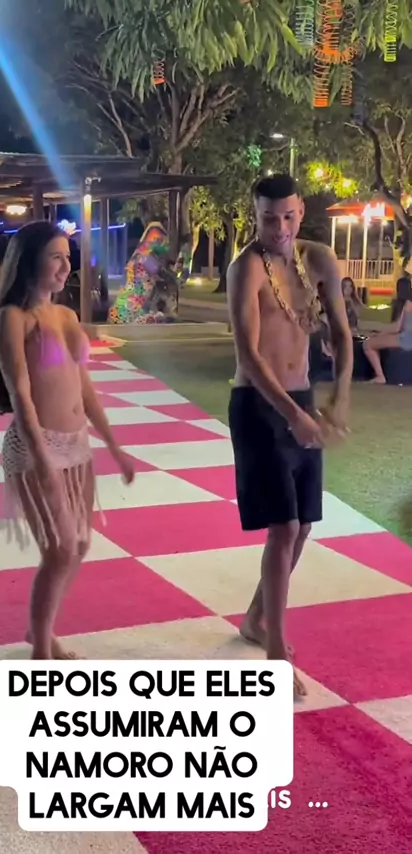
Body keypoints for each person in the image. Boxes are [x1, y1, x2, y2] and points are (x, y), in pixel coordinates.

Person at [0, 221, 135, 660]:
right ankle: (42, 655)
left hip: (76, 443)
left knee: (79, 544)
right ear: (31, 260)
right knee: (60, 550)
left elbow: (85, 389)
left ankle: (40, 631)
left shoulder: (66, 317)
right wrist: (42, 457)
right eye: (56, 257)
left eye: (69, 257)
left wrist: (115, 447)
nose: (67, 266)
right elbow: (20, 394)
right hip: (35, 446)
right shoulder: (13, 319)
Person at [227, 173, 353, 696]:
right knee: (284, 526)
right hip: (258, 404)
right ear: (255, 216)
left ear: (301, 212)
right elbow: (248, 355)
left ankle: (256, 618)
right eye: (268, 217)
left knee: (302, 528)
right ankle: (275, 653)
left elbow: (342, 333)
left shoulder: (319, 259)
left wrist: (340, 394)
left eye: (288, 216)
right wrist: (292, 416)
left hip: (301, 399)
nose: (279, 227)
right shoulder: (246, 267)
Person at [362, 276, 412, 383]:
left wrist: (380, 333)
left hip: (407, 339)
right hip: (406, 337)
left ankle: (380, 376)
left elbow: (397, 328)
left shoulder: (408, 304)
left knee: (368, 344)